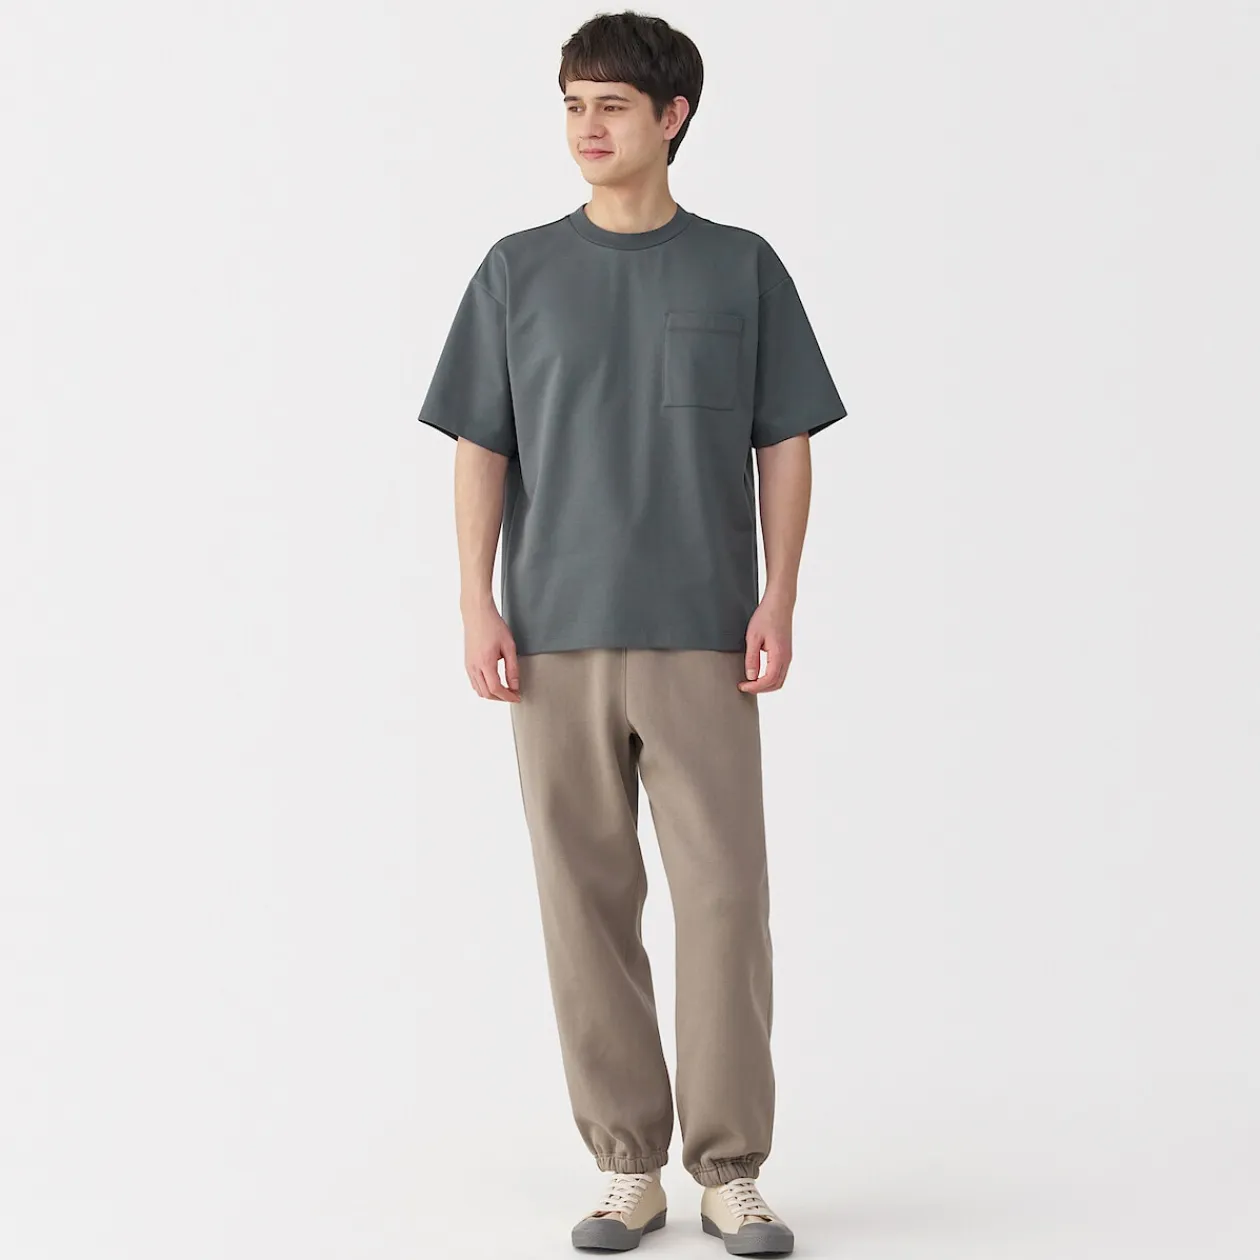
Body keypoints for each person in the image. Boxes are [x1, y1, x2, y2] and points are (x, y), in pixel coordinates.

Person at [416, 11, 846, 1254]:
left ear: (673, 117)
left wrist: (778, 596)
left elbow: (785, 441)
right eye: (571, 105)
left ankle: (730, 1169)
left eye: (610, 104)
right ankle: (626, 1166)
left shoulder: (740, 267)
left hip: (703, 631)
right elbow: (482, 446)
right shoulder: (517, 271)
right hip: (553, 636)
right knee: (583, 904)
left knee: (724, 901)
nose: (586, 127)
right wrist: (476, 601)